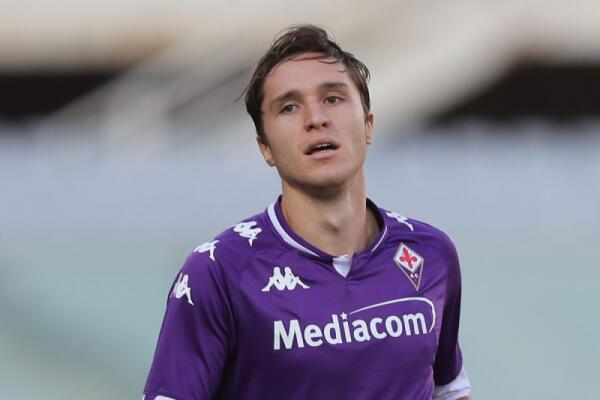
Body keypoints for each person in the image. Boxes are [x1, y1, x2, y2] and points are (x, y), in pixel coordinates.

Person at [143, 24, 471, 400]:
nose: (315, 118)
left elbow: (449, 389)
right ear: (265, 147)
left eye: (333, 98)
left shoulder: (431, 252)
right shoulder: (218, 272)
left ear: (368, 125)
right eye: (289, 107)